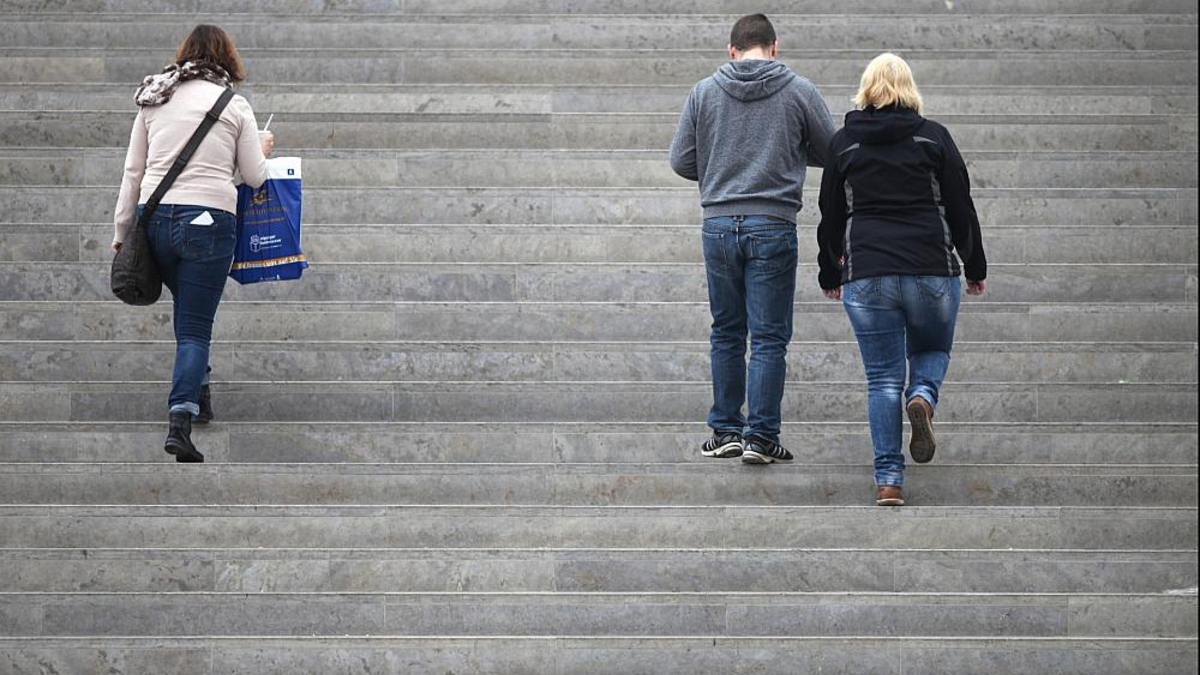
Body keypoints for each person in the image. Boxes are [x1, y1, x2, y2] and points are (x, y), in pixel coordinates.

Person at [816, 53, 988, 506]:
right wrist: (975, 266)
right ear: (909, 88)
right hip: (931, 268)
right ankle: (924, 396)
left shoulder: (844, 143)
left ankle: (889, 480)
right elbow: (960, 205)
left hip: (868, 272)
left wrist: (830, 270)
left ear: (866, 88)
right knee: (931, 349)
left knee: (881, 380)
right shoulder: (933, 138)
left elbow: (830, 214)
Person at [670, 13, 835, 465]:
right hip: (774, 223)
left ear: (732, 51)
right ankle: (760, 437)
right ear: (774, 47)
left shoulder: (704, 92)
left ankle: (725, 429)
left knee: (726, 330)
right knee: (767, 337)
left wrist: (721, 169)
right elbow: (832, 150)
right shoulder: (799, 91)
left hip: (719, 224)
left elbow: (681, 159)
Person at [112, 25, 274, 463]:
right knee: (196, 328)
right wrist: (261, 146)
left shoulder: (154, 98)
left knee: (187, 314)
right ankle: (180, 420)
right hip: (209, 223)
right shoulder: (233, 105)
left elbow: (133, 171)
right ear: (227, 60)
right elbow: (256, 176)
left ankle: (200, 396)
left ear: (185, 55)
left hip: (156, 221)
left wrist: (122, 232)